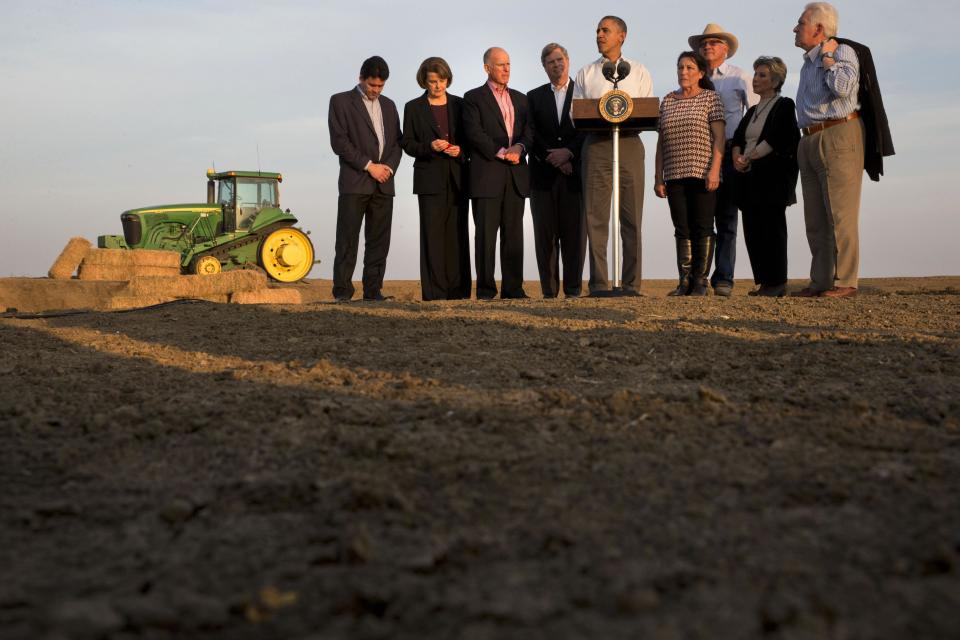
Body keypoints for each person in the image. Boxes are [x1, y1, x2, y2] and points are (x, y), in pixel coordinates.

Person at [573, 16, 653, 296]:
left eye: (605, 30)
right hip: (596, 145)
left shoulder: (639, 71)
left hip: (630, 144)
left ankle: (631, 284)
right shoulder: (585, 73)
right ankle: (598, 284)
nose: (599, 35)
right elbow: (578, 112)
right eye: (597, 30)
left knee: (631, 218)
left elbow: (645, 108)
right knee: (595, 218)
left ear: (622, 36)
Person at [792, 2, 864, 298]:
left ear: (818, 29)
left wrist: (828, 56)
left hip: (837, 134)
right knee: (815, 217)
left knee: (839, 214)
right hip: (808, 138)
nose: (795, 29)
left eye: (800, 23)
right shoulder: (807, 62)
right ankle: (821, 281)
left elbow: (844, 88)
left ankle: (845, 281)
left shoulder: (841, 51)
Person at [689, 23, 758, 296]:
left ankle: (724, 279)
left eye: (714, 42)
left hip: (730, 151)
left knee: (727, 218)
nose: (708, 47)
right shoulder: (693, 78)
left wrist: (745, 152)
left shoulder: (739, 77)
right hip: (699, 152)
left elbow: (753, 113)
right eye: (704, 43)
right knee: (700, 219)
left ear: (726, 49)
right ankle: (697, 279)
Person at [327, 56, 402, 302]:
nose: (376, 90)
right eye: (372, 85)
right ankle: (343, 293)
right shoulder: (340, 101)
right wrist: (370, 166)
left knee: (379, 242)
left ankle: (373, 291)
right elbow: (339, 142)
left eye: (381, 86)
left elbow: (396, 144)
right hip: (355, 182)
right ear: (361, 78)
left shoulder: (389, 106)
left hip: (384, 184)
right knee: (347, 240)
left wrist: (387, 168)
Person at [462, 47, 533, 300]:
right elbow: (474, 134)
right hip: (486, 177)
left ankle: (513, 289)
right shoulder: (472, 98)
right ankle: (485, 290)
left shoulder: (522, 99)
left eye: (509, 64)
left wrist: (520, 147)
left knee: (514, 236)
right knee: (485, 237)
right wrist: (504, 151)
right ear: (487, 68)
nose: (506, 69)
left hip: (516, 178)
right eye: (501, 64)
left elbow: (529, 132)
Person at [400, 57, 471, 301]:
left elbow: (471, 142)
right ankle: (433, 293)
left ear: (447, 79)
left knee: (458, 236)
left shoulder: (461, 105)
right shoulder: (412, 107)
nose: (437, 86)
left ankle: (459, 292)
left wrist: (460, 151)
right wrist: (429, 146)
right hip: (429, 181)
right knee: (432, 237)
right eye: (432, 82)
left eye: (441, 81)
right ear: (424, 81)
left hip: (458, 179)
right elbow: (407, 143)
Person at [654, 51, 725, 296]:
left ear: (701, 73)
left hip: (703, 172)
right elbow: (661, 142)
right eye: (680, 67)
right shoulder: (667, 101)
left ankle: (700, 282)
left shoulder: (710, 99)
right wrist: (657, 177)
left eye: (690, 68)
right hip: (674, 174)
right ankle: (684, 282)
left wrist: (715, 170)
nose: (684, 72)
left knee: (703, 226)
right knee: (681, 228)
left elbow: (719, 139)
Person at [731, 57, 801, 297]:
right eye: (756, 74)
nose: (756, 79)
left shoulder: (784, 105)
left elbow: (779, 138)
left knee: (772, 229)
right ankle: (763, 282)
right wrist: (737, 157)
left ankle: (777, 281)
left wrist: (750, 157)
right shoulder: (752, 110)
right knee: (753, 229)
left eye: (762, 75)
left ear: (775, 80)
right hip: (749, 179)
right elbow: (739, 137)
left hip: (771, 180)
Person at [526, 43, 586, 298]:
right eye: (550, 62)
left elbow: (587, 130)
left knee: (574, 237)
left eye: (560, 60)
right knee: (546, 238)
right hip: (543, 176)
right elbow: (530, 133)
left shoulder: (584, 94)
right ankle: (549, 292)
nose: (556, 65)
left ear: (568, 61)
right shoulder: (533, 97)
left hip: (575, 176)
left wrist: (569, 153)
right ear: (544, 67)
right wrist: (553, 158)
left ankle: (573, 291)